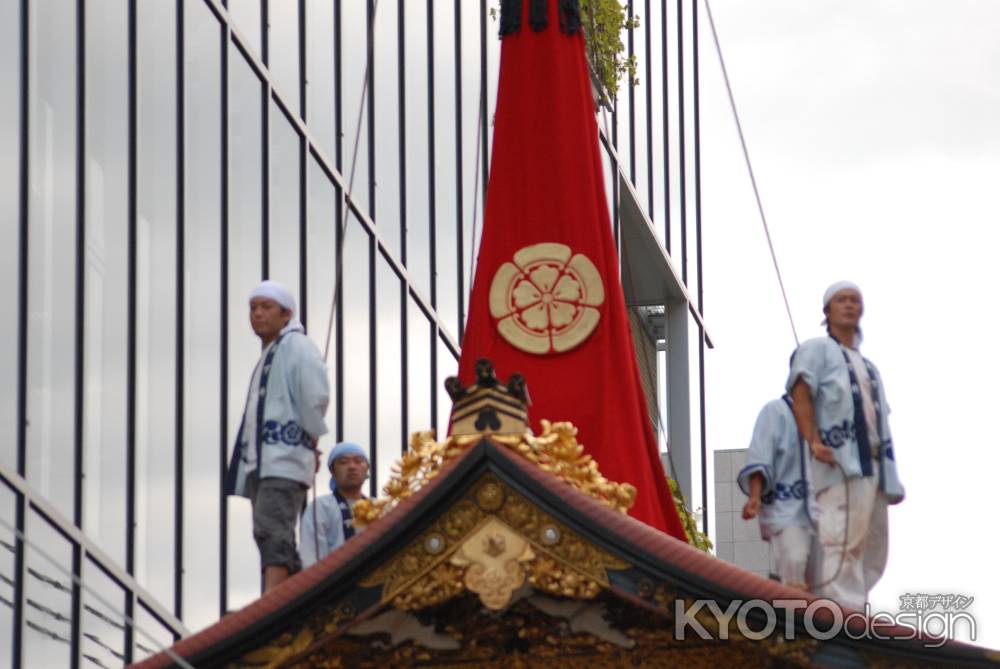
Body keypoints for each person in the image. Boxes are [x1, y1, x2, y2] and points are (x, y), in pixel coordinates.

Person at [786, 281, 904, 610]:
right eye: (842, 300)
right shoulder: (817, 349)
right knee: (840, 539)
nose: (849, 305)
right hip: (839, 461)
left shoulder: (869, 368)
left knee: (875, 545)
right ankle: (839, 611)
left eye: (855, 300)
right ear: (828, 310)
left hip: (874, 466)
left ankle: (856, 605)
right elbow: (801, 391)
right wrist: (813, 439)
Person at [225, 280, 330, 593]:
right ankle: (292, 592)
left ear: (287, 314)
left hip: (283, 457)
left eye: (265, 307)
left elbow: (315, 395)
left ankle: (274, 597)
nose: (257, 314)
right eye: (253, 308)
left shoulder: (297, 347)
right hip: (267, 459)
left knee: (273, 528)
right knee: (267, 529)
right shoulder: (273, 352)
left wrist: (310, 440)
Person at [739, 394, 816, 590]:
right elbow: (760, 456)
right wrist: (755, 496)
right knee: (793, 574)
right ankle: (794, 618)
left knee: (826, 585)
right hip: (787, 510)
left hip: (824, 513)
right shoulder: (775, 411)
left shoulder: (827, 414)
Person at [299, 442, 370, 568]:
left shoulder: (380, 507)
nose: (352, 466)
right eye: (343, 462)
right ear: (333, 470)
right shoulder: (321, 506)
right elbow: (311, 557)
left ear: (367, 469)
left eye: (358, 461)